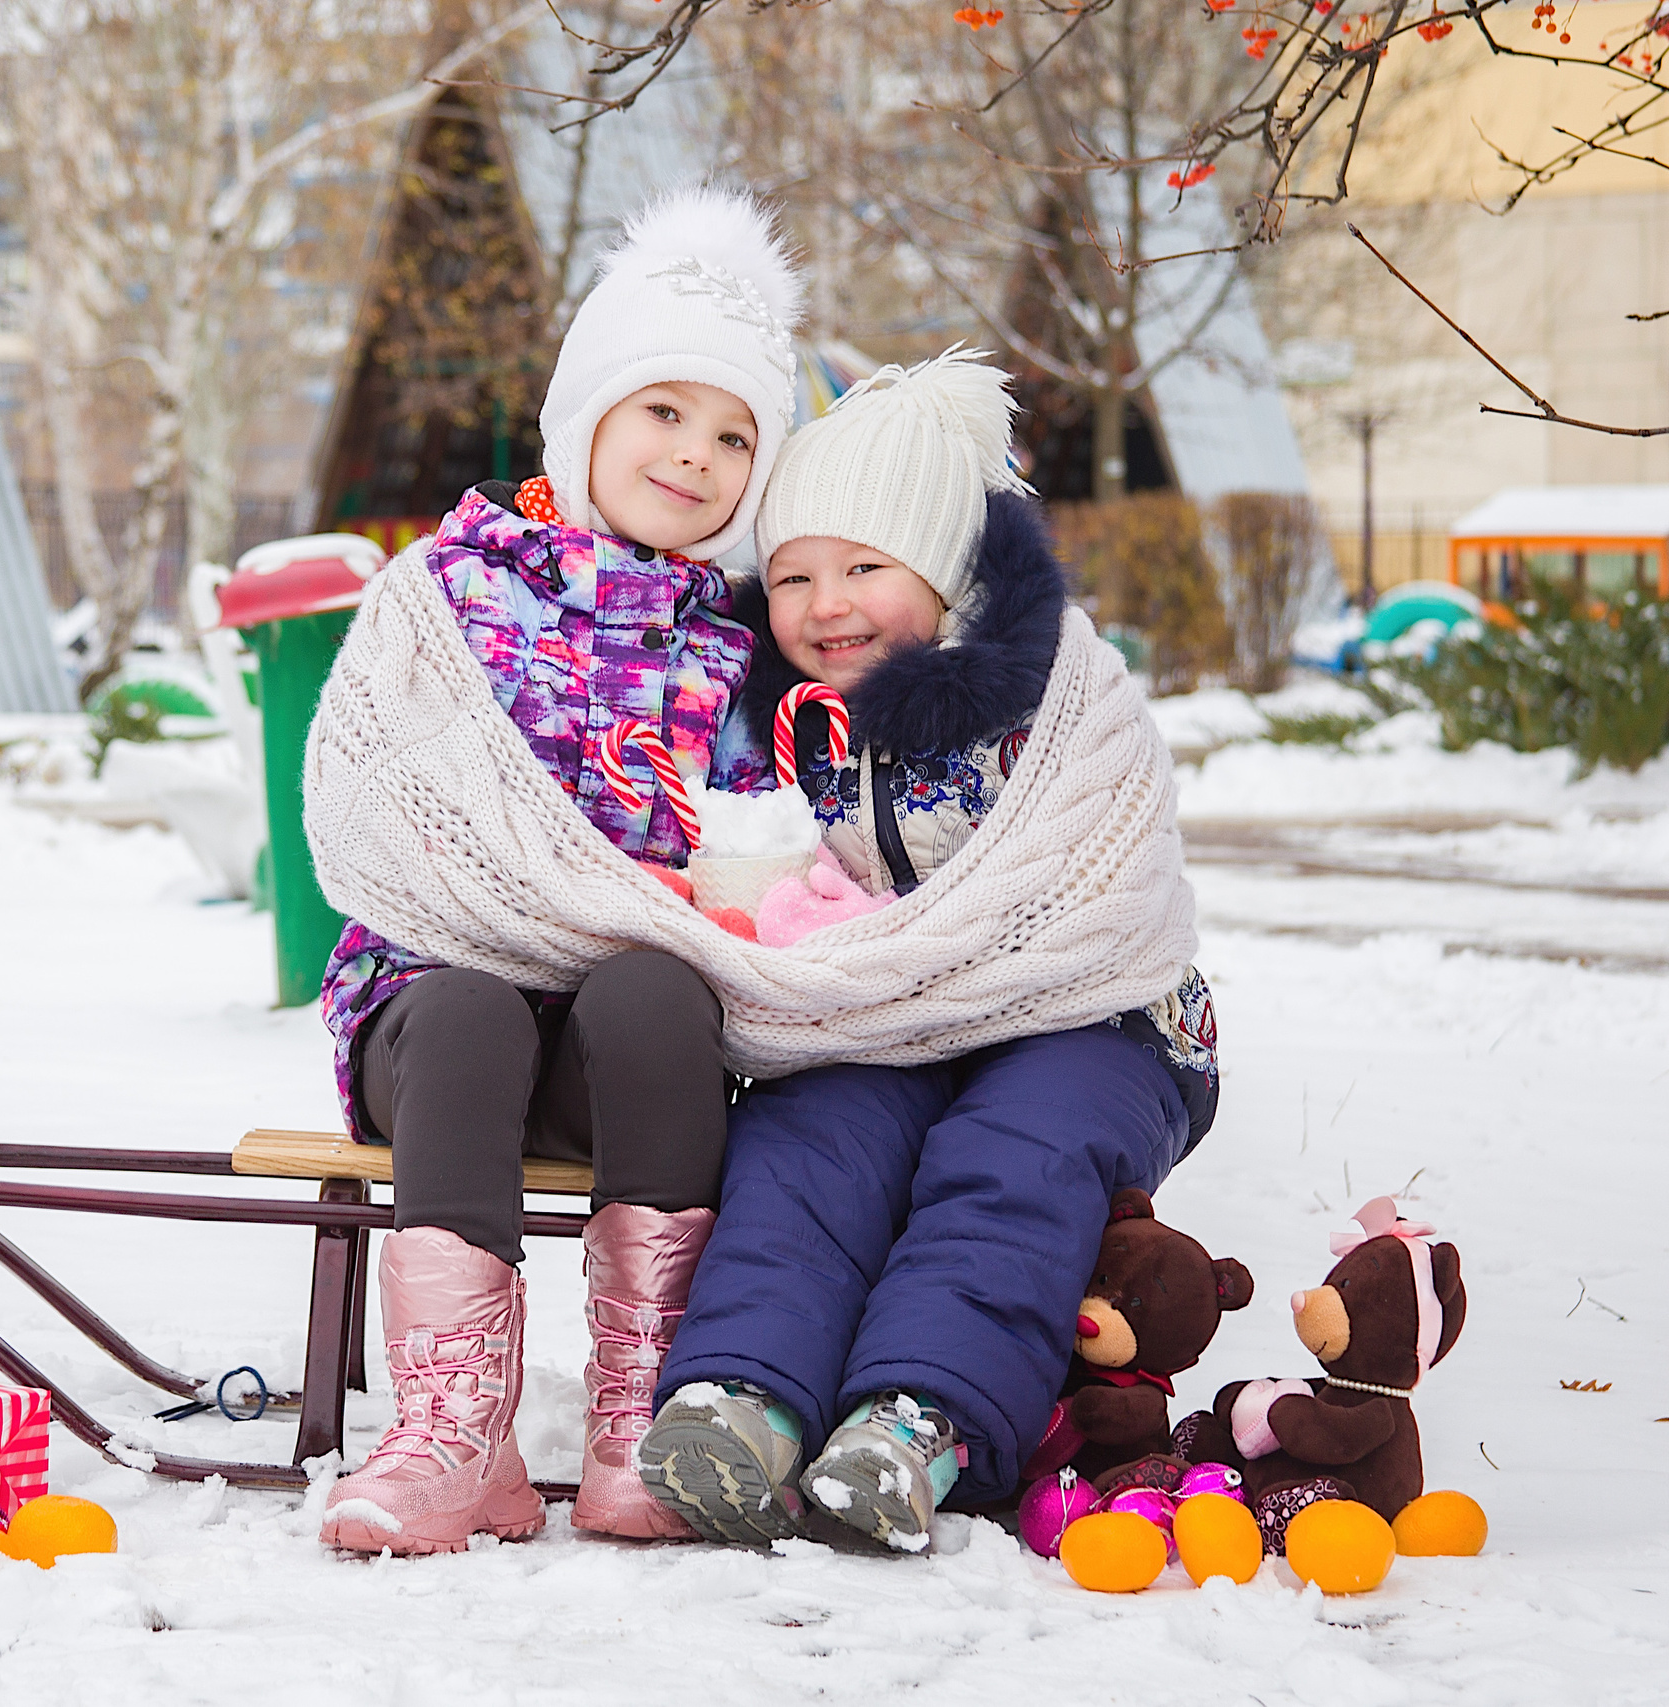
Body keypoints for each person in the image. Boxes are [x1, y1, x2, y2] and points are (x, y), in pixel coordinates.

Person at [636, 348, 1221, 1553]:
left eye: (863, 565)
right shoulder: (820, 721)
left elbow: (1105, 876)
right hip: (904, 1020)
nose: (823, 603)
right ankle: (741, 1398)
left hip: (1098, 1022)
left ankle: (921, 1419)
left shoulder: (1061, 691)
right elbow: (833, 879)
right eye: (791, 575)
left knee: (1009, 1156)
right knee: (809, 1136)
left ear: (950, 572)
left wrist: (922, 964)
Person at [312, 185, 802, 1555]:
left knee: (656, 988)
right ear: (588, 407)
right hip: (433, 1011)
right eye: (664, 410)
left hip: (621, 1050)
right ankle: (454, 1433)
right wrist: (524, 897)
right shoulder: (455, 583)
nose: (695, 455)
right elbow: (369, 807)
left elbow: (762, 860)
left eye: (733, 435)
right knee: (469, 1002)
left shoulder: (745, 648)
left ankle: (641, 1415)